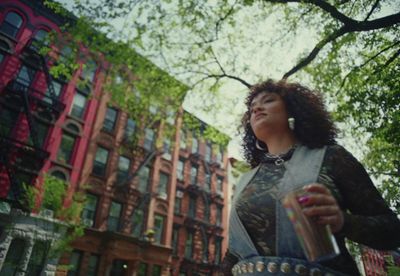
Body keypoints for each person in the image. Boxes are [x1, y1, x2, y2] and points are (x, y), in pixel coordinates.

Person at [222, 79, 400, 275]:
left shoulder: (331, 157)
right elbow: (233, 255)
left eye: (268, 101)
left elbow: (392, 230)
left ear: (291, 109)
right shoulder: (245, 181)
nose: (256, 109)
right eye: (252, 108)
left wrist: (343, 222)